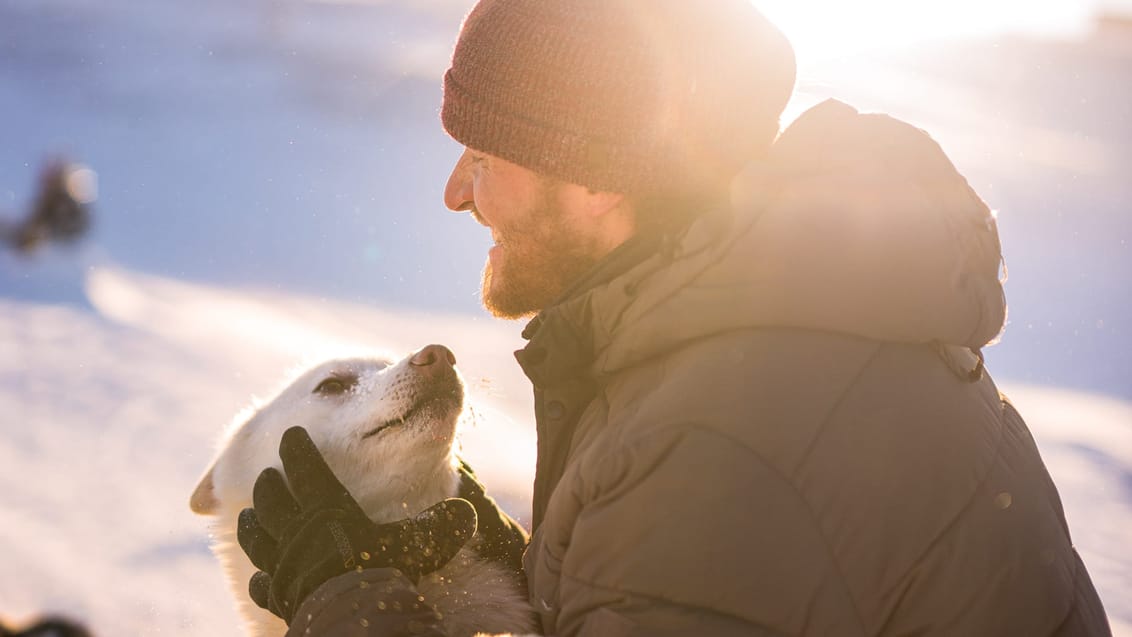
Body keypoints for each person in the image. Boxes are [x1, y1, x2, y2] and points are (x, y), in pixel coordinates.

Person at [237, 0, 1113, 635]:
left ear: (597, 175)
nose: (457, 191)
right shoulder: (765, 338)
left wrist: (352, 608)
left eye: (482, 154)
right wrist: (533, 570)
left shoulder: (716, 437)